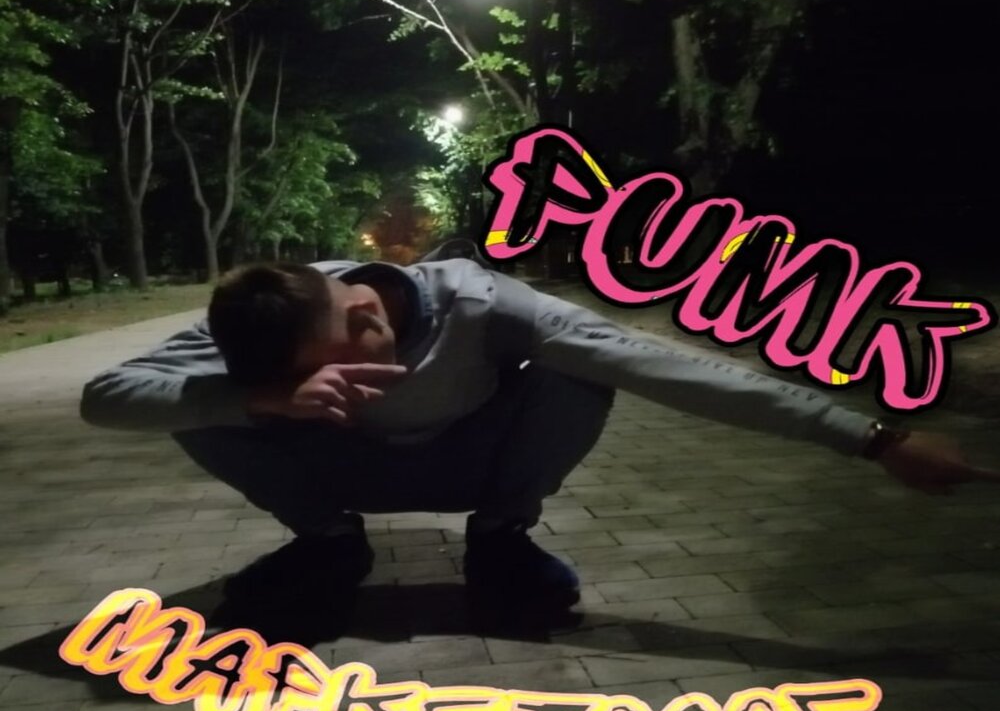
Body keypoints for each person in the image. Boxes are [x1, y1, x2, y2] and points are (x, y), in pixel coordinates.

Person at [79, 256, 998, 634]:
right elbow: (103, 398)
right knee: (193, 404)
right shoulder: (270, 317)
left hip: (473, 462)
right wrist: (262, 399)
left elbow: (671, 368)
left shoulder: (487, 307)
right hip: (338, 470)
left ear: (366, 314)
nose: (343, 387)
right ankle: (326, 546)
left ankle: (502, 540)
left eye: (342, 370)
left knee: (582, 369)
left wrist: (876, 439)